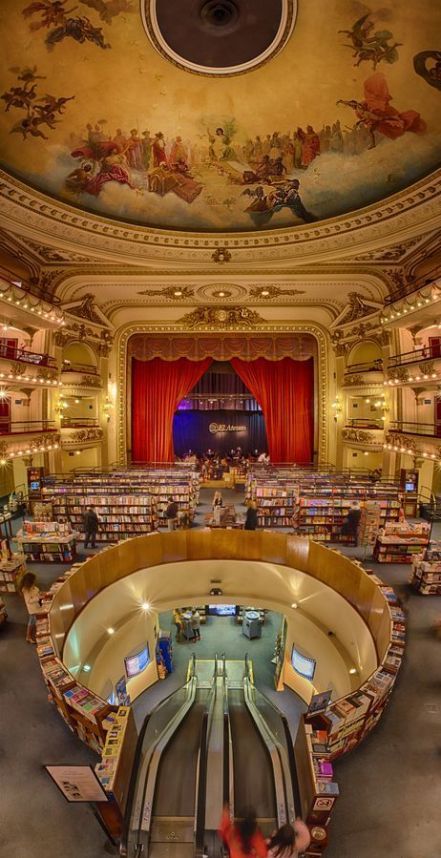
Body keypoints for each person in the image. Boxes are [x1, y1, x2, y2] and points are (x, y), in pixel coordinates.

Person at [19, 571, 42, 643]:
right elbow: (29, 600)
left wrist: (39, 594)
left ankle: (30, 636)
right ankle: (29, 637)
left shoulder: (31, 587)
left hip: (36, 607)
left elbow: (35, 591)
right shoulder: (26, 590)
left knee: (32, 622)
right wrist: (38, 597)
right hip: (33, 609)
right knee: (33, 623)